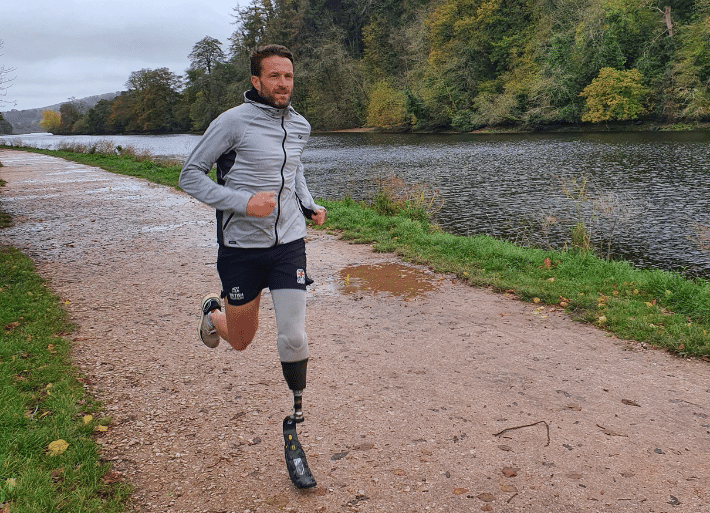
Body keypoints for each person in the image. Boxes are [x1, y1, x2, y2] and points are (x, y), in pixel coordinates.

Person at [178, 44, 325, 489]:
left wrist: (308, 202)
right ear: (257, 81)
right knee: (241, 341)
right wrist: (242, 203)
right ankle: (212, 314)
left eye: (289, 76)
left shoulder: (300, 125)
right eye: (274, 76)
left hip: (288, 245)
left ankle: (295, 416)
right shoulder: (231, 123)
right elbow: (190, 175)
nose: (283, 83)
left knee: (294, 333)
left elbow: (293, 169)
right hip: (241, 248)